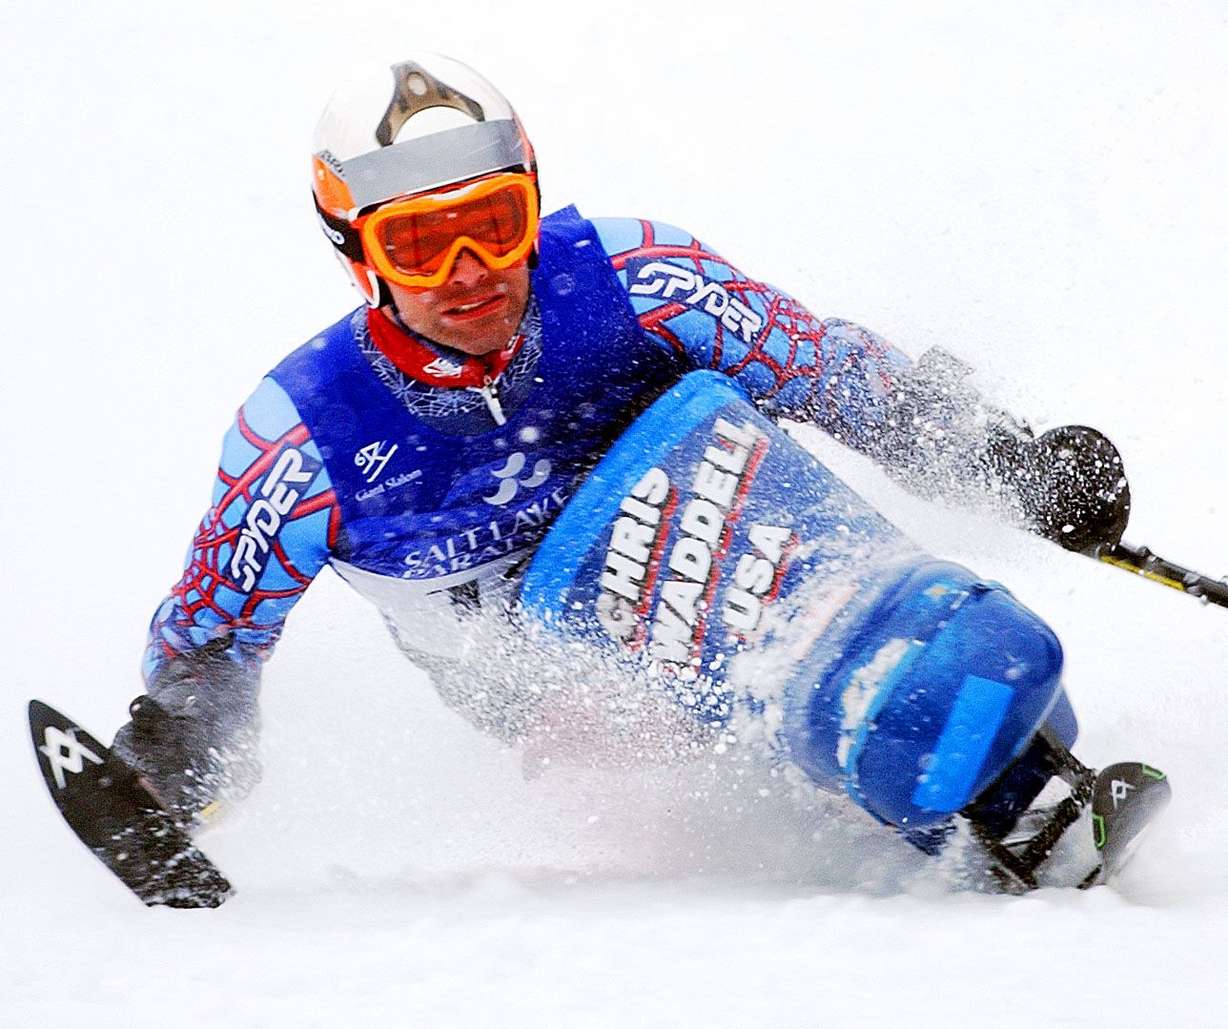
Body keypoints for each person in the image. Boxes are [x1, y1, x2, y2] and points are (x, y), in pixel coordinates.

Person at [112, 55, 1130, 860]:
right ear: (356, 255)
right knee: (652, 686)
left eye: (494, 226)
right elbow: (214, 636)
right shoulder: (303, 440)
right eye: (419, 246)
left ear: (532, 202)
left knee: (706, 463)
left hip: (727, 531)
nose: (469, 273)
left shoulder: (640, 278)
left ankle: (982, 737)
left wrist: (1005, 464)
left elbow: (827, 371)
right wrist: (177, 749)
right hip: (532, 669)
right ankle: (883, 785)